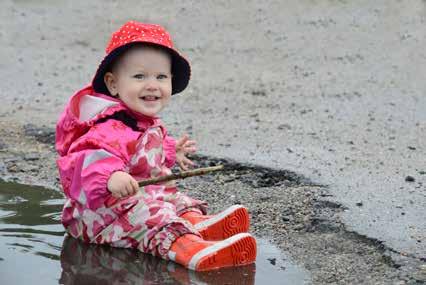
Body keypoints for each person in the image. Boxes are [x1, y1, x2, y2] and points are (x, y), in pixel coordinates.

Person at [55, 21, 256, 271]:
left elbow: (141, 153)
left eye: (161, 77)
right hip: (99, 217)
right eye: (139, 76)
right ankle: (189, 248)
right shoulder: (109, 127)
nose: (152, 84)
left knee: (173, 198)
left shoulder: (141, 121)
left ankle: (194, 223)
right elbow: (85, 161)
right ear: (113, 84)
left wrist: (170, 149)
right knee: (151, 216)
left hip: (136, 201)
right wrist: (110, 176)